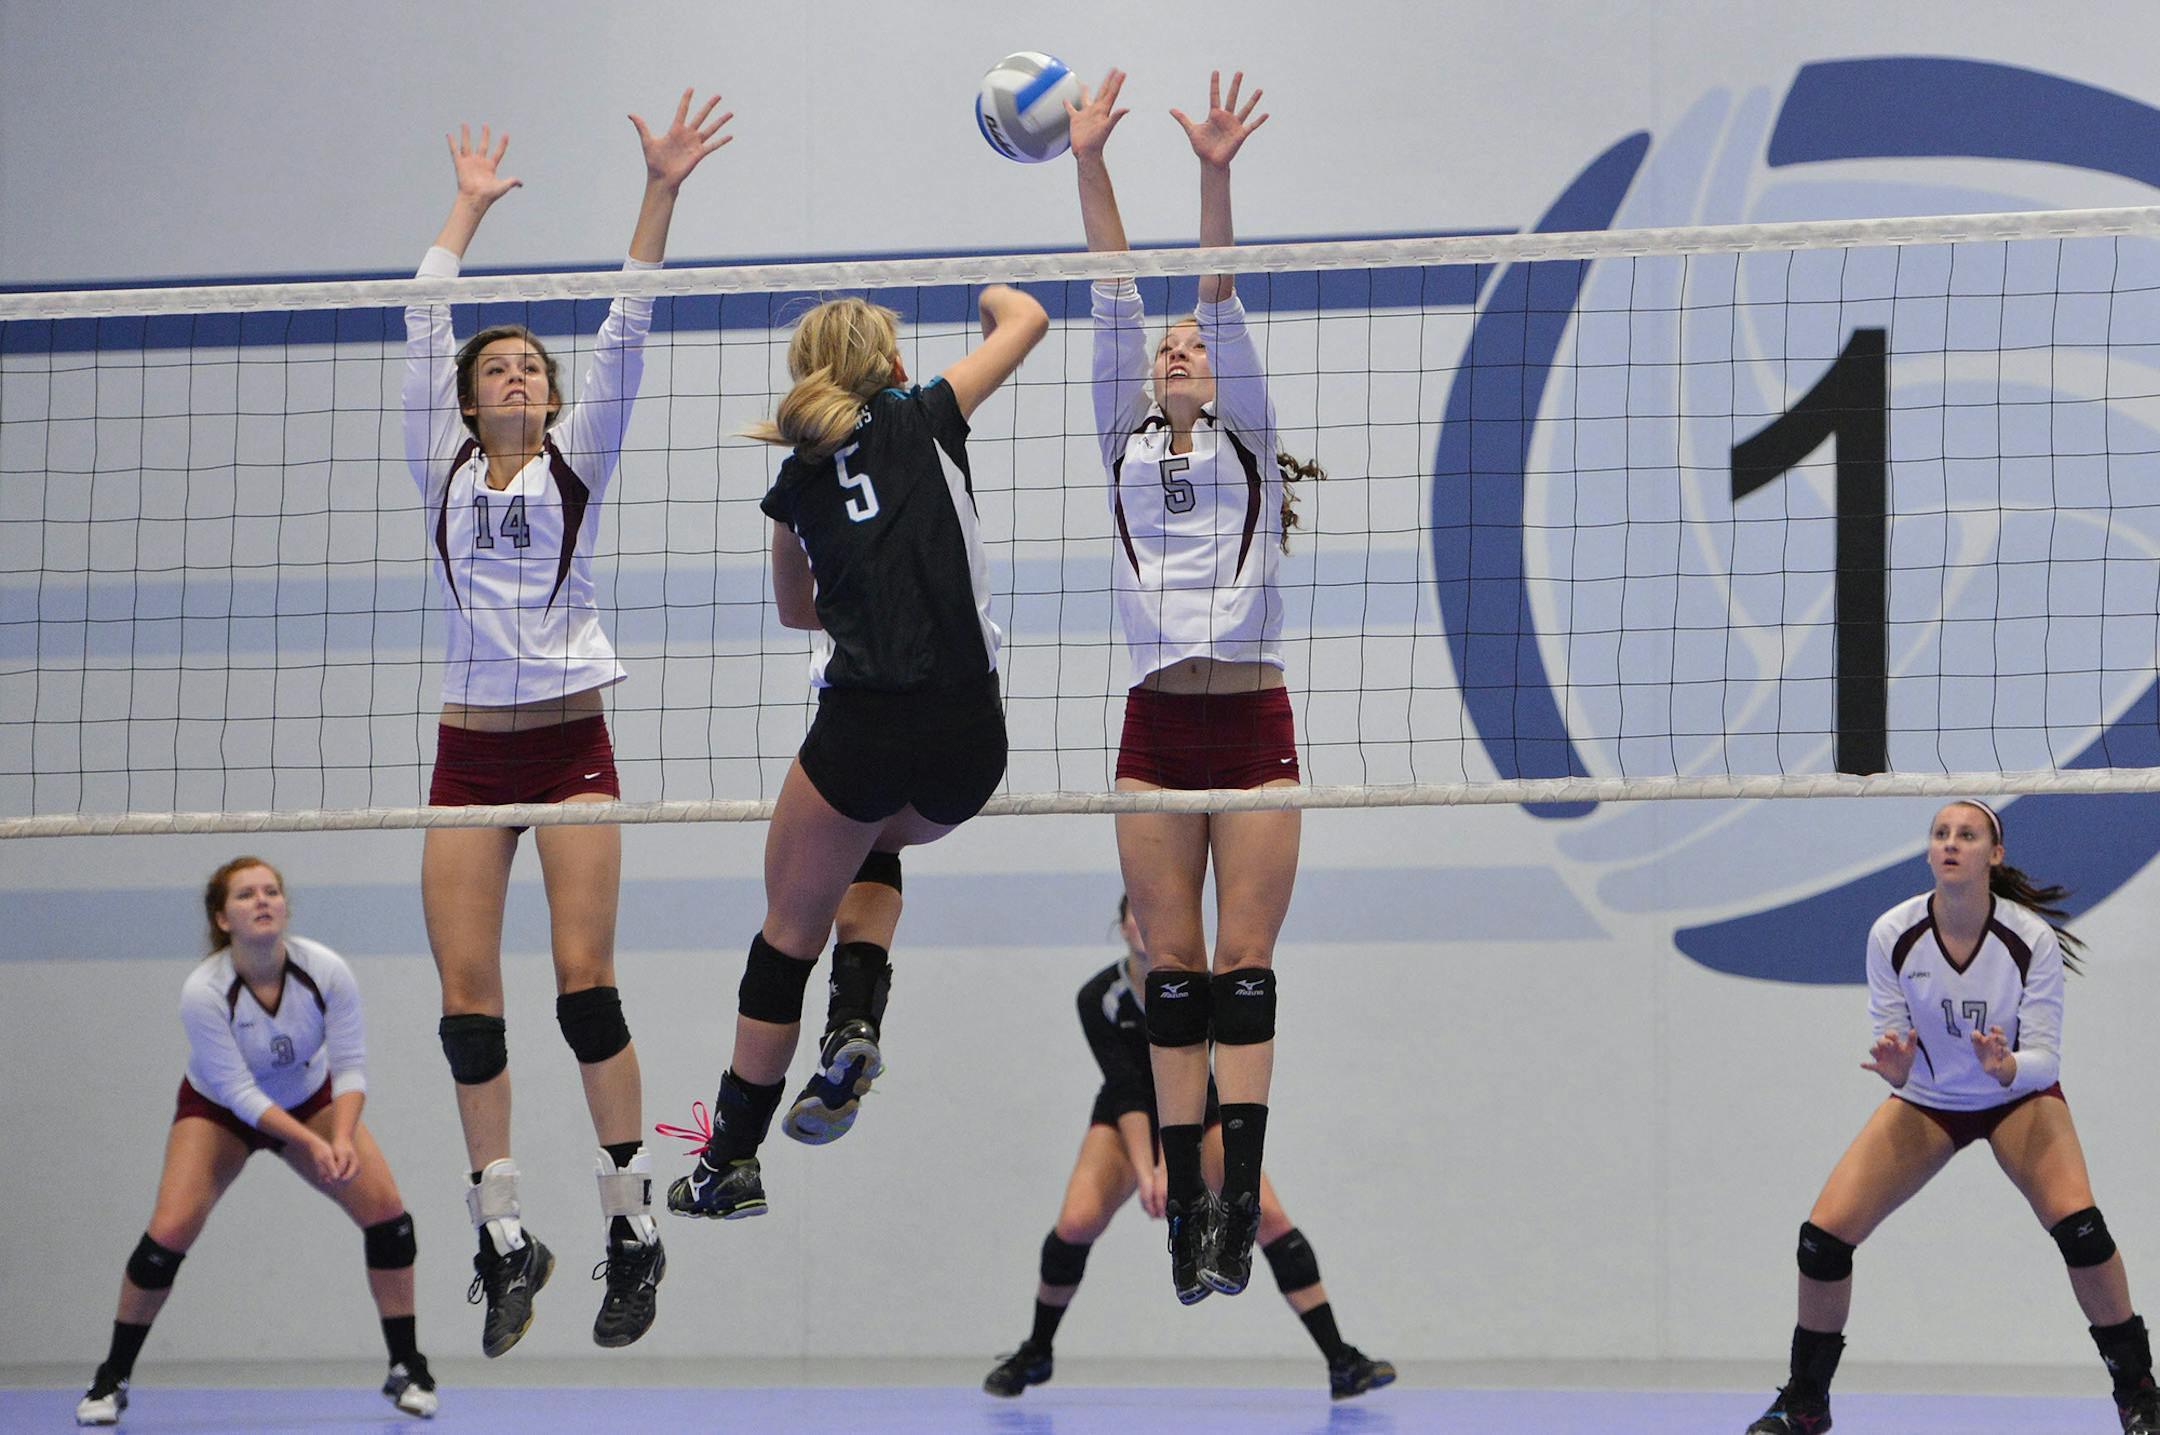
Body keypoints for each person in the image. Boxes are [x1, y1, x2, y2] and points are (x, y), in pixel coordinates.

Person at [401, 90, 731, 1357]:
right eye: (501, 369)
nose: (521, 379)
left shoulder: (576, 458)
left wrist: (661, 188)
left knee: (584, 987)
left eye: (532, 368)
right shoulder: (434, 459)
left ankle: (631, 1225)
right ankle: (502, 1235)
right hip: (469, 749)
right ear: (474, 400)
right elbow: (423, 326)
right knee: (466, 1001)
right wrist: (467, 213)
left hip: (570, 740)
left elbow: (627, 329)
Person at [665, 283, 1049, 1219]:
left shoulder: (794, 478)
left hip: (867, 725)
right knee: (876, 842)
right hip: (970, 741)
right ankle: (856, 1019)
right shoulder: (928, 412)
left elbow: (798, 612)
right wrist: (984, 283)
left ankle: (731, 1162)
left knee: (784, 941)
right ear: (893, 363)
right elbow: (1026, 316)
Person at [1069, 67, 1321, 1304]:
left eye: (1191, 347)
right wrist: (1090, 159)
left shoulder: (1249, 445)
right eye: (1164, 347)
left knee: (1246, 965)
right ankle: (1184, 1216)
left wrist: (1214, 172)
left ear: (1217, 374)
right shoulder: (1122, 433)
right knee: (1170, 972)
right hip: (1158, 725)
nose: (1175, 347)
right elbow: (1118, 293)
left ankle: (1235, 1198)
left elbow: (1209, 293)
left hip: (1255, 717)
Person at [1746, 801, 2160, 1435]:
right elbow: (1894, 1043)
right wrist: (1896, 1068)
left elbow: (2045, 1061)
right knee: (1822, 1241)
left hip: (2017, 1097)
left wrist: (2004, 1069)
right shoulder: (1893, 932)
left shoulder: (2028, 939)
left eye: (1967, 835)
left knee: (2082, 1231)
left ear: (1994, 855)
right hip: (1929, 1102)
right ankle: (1805, 1402)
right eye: (1941, 833)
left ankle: (2139, 1396)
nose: (1951, 843)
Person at [983, 896, 1395, 1401]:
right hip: (1124, 1116)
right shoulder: (1099, 997)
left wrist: (1174, 1163)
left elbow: (1214, 1071)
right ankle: (1037, 1350)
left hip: (1202, 1111)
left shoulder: (1200, 994)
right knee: (1075, 1223)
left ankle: (1342, 1360)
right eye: (1133, 911)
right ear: (1122, 927)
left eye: (1148, 909)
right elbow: (1127, 1086)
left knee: (1269, 1219)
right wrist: (1150, 1168)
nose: (1142, 920)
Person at [75, 858, 436, 1426]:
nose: (263, 901)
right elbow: (240, 1093)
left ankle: (407, 1367)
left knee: (390, 1220)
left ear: (286, 906)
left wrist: (339, 1135)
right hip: (219, 1110)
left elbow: (351, 1065)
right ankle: (110, 1379)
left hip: (312, 1100)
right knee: (167, 1234)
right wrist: (312, 1145)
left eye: (271, 891)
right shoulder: (204, 992)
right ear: (222, 918)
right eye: (246, 895)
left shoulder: (327, 971)